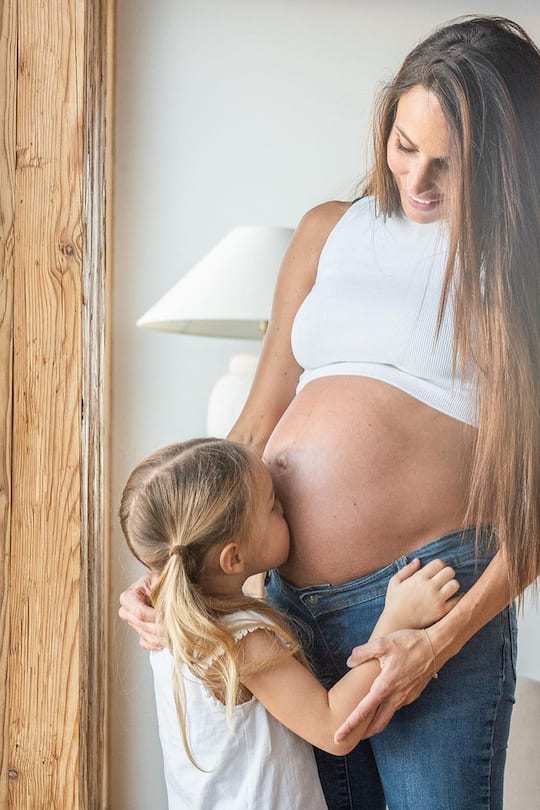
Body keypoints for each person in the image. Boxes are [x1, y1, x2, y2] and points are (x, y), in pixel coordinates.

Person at [119, 15, 540, 809]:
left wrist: (436, 644)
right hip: (285, 614)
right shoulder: (328, 232)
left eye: (449, 165)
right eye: (404, 147)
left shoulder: (519, 278)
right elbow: (252, 428)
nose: (417, 182)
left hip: (427, 607)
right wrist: (170, 570)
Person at [119, 437, 460, 810]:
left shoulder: (175, 625)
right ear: (233, 558)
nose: (285, 505)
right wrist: (398, 617)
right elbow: (334, 728)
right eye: (273, 507)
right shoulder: (239, 639)